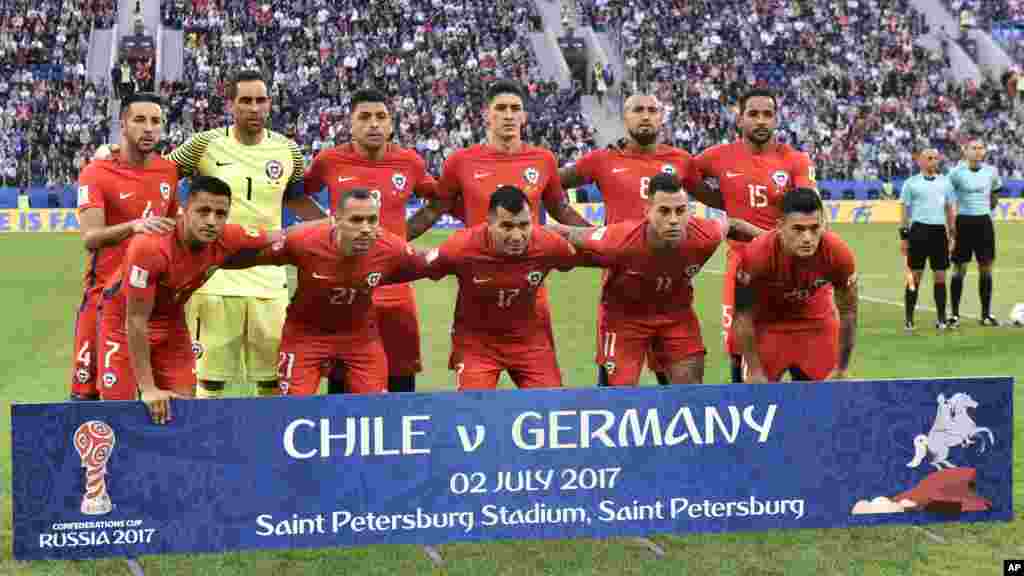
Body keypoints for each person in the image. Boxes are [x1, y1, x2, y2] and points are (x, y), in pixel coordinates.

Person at [94, 70, 325, 398]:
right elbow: (158, 173)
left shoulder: (288, 151)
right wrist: (113, 158)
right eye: (245, 100)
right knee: (208, 381)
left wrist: (331, 226)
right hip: (212, 278)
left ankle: (265, 446)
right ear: (230, 105)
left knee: (273, 381)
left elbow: (296, 198)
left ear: (270, 104)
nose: (254, 108)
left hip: (270, 280)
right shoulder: (205, 144)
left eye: (261, 100)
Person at [405, 79, 592, 384]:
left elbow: (563, 212)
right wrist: (388, 244)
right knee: (475, 405)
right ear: (486, 115)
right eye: (500, 108)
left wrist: (607, 240)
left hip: (530, 291)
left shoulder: (543, 160)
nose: (508, 115)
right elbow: (430, 212)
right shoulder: (460, 161)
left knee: (548, 403)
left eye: (515, 108)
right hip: (477, 291)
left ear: (524, 116)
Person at [558, 92, 717, 385]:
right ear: (625, 117)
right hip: (622, 292)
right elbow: (550, 183)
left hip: (673, 292)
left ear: (662, 117)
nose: (645, 116)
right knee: (616, 399)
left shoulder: (682, 161)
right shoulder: (603, 159)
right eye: (637, 110)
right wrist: (588, 230)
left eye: (652, 110)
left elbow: (717, 198)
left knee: (685, 398)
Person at [96, 176, 282, 424]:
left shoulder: (228, 236)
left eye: (220, 213)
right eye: (203, 211)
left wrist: (332, 227)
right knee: (119, 412)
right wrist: (148, 388)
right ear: (184, 210)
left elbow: (280, 236)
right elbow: (136, 320)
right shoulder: (150, 248)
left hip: (171, 323)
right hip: (123, 322)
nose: (211, 221)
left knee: (183, 409)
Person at [548, 173, 758, 386]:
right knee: (619, 395)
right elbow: (566, 233)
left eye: (681, 211)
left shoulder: (705, 234)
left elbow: (733, 225)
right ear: (647, 211)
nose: (674, 220)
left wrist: (773, 237)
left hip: (676, 315)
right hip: (624, 319)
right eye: (664, 211)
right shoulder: (618, 239)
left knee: (690, 390)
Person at [224, 188, 431, 396]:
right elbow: (252, 257)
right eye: (356, 220)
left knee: (374, 408)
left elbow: (432, 264)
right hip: (305, 336)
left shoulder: (391, 248)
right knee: (290, 409)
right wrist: (207, 261)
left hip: (360, 339)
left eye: (372, 220)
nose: (366, 228)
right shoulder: (304, 241)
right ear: (335, 220)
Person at [303, 88, 438, 393]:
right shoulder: (329, 160)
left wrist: (405, 233)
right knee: (342, 385)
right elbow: (296, 195)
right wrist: (327, 227)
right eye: (364, 117)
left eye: (381, 117)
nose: (374, 124)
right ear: (350, 124)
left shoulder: (410, 163)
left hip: (396, 290)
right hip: (345, 289)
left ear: (391, 124)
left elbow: (439, 200)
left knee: (401, 381)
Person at [690, 88, 816, 383]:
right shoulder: (718, 156)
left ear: (776, 119)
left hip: (787, 266)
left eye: (768, 115)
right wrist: (719, 201)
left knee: (801, 353)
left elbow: (810, 208)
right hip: (742, 265)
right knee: (741, 354)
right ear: (740, 118)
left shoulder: (794, 159)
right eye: (753, 114)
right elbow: (685, 176)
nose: (761, 121)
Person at [71, 92, 179, 401]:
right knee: (85, 399)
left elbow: (172, 231)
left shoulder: (167, 172)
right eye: (140, 120)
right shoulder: (96, 173)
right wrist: (134, 226)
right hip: (102, 299)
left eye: (156, 121)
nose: (149, 128)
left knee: (158, 396)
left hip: (149, 303)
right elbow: (90, 237)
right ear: (123, 124)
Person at [419, 186, 578, 390]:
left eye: (524, 225)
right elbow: (416, 266)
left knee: (549, 405)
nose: (517, 235)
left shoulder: (549, 244)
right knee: (473, 409)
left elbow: (583, 257)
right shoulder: (460, 247)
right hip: (476, 344)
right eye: (507, 226)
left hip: (529, 341)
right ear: (489, 224)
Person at [733, 188, 859, 383]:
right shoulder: (756, 255)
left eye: (815, 228)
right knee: (759, 401)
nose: (808, 238)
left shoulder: (838, 253)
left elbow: (849, 311)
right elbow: (742, 315)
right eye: (798, 229)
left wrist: (842, 367)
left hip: (816, 323)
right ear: (780, 226)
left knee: (832, 401)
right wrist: (755, 370)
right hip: (768, 325)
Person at [900, 148, 956, 330]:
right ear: (920, 161)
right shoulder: (911, 183)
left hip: (939, 232)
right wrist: (904, 237)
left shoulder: (945, 183)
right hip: (918, 231)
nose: (933, 161)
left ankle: (941, 318)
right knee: (914, 277)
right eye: (929, 158)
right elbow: (905, 211)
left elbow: (949, 209)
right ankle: (909, 318)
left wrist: (952, 232)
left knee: (940, 276)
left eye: (935, 159)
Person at [948, 138, 1003, 326]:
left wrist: (989, 206)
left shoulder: (991, 172)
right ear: (966, 151)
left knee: (986, 268)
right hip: (963, 222)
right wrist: (951, 225)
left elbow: (995, 192)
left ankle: (986, 314)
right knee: (959, 269)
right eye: (974, 148)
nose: (978, 151)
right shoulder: (956, 173)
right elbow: (948, 197)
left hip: (984, 223)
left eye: (981, 148)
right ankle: (954, 315)